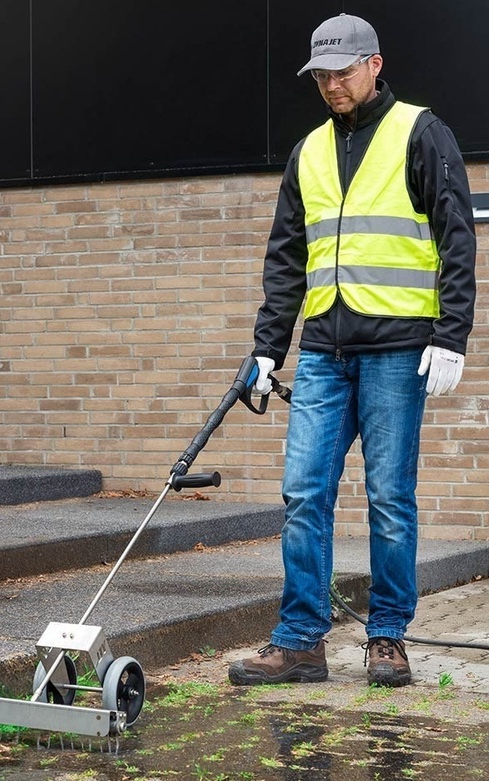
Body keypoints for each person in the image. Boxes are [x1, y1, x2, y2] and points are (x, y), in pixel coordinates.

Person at [228, 13, 476, 688]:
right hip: (323, 354)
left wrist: (452, 333)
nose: (332, 85)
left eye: (342, 72)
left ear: (374, 64)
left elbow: (457, 237)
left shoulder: (422, 134)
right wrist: (266, 348)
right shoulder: (307, 153)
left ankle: (387, 637)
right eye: (321, 76)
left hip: (398, 349)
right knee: (304, 492)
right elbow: (286, 259)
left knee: (390, 496)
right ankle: (301, 639)